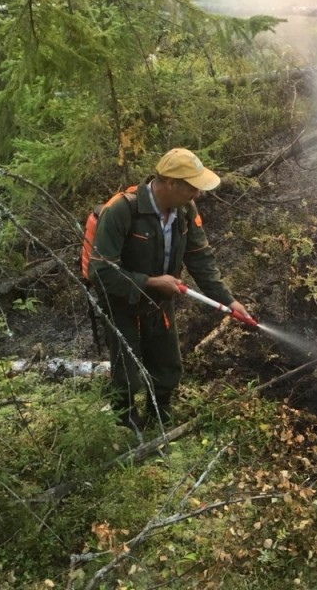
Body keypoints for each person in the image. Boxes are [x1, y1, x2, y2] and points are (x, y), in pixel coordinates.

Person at [88, 147, 252, 430]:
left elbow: (200, 258)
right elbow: (101, 271)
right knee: (126, 372)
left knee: (167, 364)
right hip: (120, 299)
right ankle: (126, 426)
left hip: (159, 301)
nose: (197, 194)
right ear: (171, 183)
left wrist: (229, 301)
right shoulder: (121, 210)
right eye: (192, 187)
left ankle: (159, 419)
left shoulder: (185, 210)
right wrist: (150, 282)